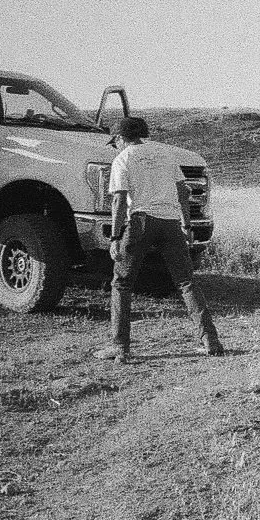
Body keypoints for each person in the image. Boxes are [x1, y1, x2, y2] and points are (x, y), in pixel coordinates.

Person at [93, 116, 222, 360]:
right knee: (186, 282)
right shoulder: (166, 154)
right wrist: (186, 224)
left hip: (140, 222)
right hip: (171, 223)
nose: (115, 146)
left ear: (120, 138)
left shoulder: (123, 159)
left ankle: (120, 346)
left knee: (122, 283)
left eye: (115, 142)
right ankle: (210, 341)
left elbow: (119, 200)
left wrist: (115, 236)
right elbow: (183, 192)